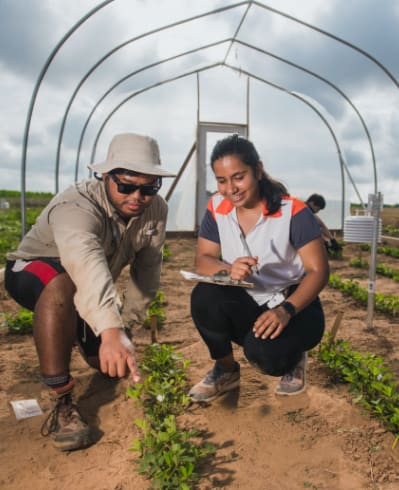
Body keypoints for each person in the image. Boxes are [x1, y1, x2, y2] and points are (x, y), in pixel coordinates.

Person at [4, 132, 175, 451]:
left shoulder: (155, 210)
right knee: (64, 284)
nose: (137, 196)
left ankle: (83, 333)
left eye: (149, 188)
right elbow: (86, 266)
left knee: (108, 363)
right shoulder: (77, 206)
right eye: (126, 185)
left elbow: (147, 270)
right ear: (106, 177)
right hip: (35, 273)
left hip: (87, 287)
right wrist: (110, 330)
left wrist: (126, 328)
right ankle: (61, 401)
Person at [189, 134, 329, 402]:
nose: (231, 189)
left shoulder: (293, 211)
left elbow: (318, 271)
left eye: (239, 177)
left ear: (258, 170)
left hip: (295, 304)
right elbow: (203, 259)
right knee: (204, 296)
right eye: (221, 180)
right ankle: (225, 370)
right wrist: (226, 269)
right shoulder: (217, 208)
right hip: (250, 299)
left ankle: (295, 355)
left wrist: (286, 311)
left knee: (269, 359)